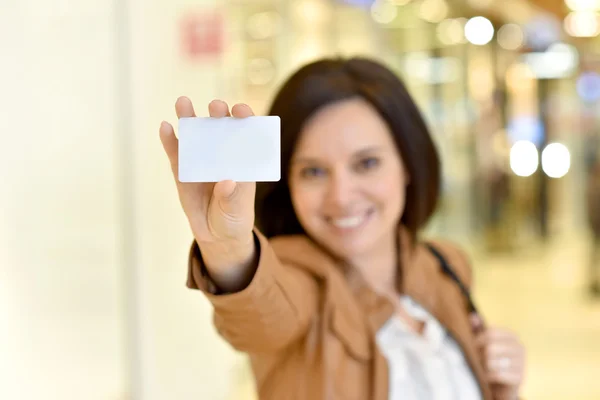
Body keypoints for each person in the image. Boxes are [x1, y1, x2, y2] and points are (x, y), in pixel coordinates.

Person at [159, 58, 526, 400]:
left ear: (408, 164)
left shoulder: (445, 265)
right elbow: (261, 316)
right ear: (288, 183)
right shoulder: (296, 277)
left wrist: (502, 387)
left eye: (366, 163)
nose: (342, 196)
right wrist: (228, 250)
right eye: (313, 171)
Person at [586, 154, 600, 296]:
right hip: (597, 228)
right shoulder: (594, 186)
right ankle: (593, 283)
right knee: (594, 258)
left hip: (595, 227)